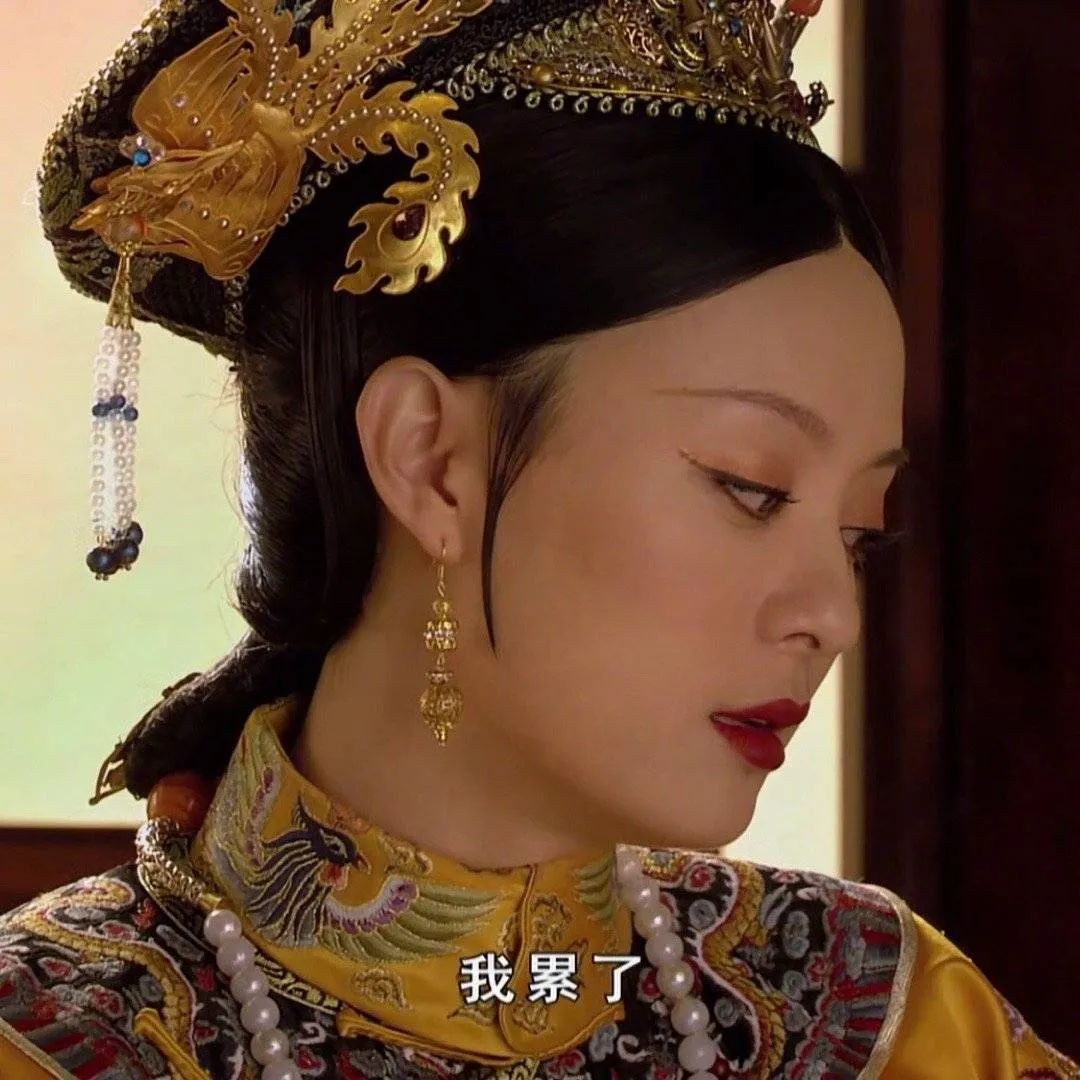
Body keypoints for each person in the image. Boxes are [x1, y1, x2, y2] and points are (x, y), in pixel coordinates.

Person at [1, 0, 1076, 1076]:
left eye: (857, 532)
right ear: (431, 461)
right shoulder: (50, 1039)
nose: (833, 616)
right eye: (750, 488)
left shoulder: (900, 1025)